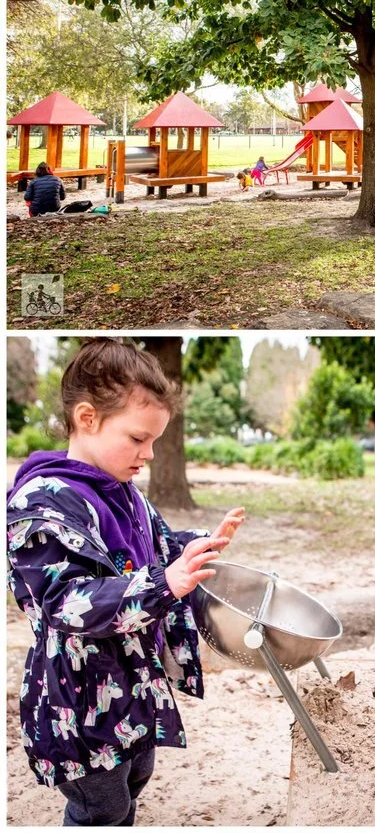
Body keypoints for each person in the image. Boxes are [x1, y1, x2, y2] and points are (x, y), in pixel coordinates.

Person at [7, 339, 245, 825]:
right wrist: (165, 584)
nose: (149, 454)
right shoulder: (42, 501)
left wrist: (196, 547)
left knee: (136, 776)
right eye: (138, 439)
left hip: (133, 683)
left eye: (155, 441)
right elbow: (65, 600)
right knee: (101, 805)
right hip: (78, 698)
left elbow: (152, 549)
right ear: (87, 418)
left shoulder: (122, 491)